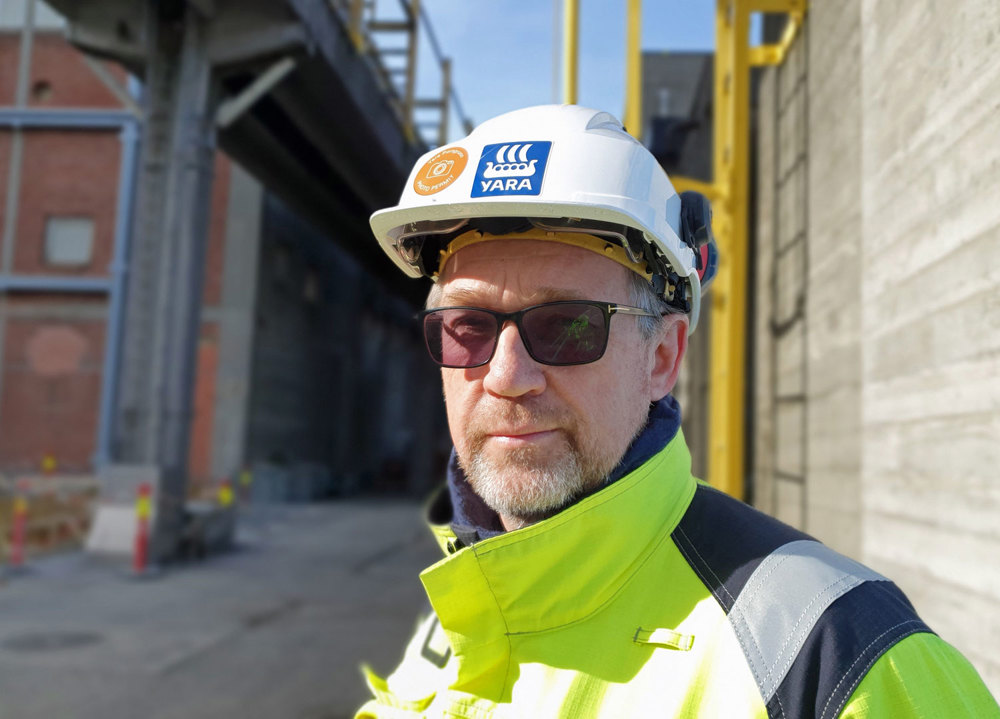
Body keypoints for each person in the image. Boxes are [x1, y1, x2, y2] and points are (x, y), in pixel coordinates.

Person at [358, 105, 998, 717]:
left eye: (568, 327)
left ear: (662, 356)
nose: (506, 376)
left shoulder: (836, 656)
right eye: (467, 326)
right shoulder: (467, 608)